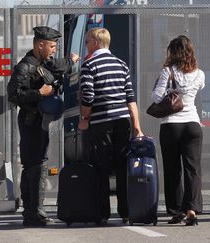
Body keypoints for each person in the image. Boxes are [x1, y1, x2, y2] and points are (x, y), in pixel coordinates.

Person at [7, 26, 79, 227]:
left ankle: (32, 212)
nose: (55, 49)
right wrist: (39, 93)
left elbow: (60, 66)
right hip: (31, 120)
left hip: (41, 120)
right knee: (35, 165)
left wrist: (72, 61)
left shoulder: (45, 62)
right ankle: (33, 212)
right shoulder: (24, 67)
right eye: (52, 46)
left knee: (37, 164)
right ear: (40, 45)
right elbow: (13, 95)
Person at [78, 28, 144, 224]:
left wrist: (84, 117)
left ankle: (102, 213)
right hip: (123, 121)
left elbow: (88, 97)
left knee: (101, 167)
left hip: (100, 122)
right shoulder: (122, 65)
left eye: (87, 41)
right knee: (123, 166)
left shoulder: (89, 65)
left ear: (96, 43)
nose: (86, 45)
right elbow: (130, 99)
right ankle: (126, 212)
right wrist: (137, 127)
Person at [152, 35, 205, 226]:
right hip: (193, 124)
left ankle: (176, 211)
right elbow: (198, 89)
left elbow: (157, 97)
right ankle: (192, 209)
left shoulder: (168, 72)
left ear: (172, 52)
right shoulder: (200, 73)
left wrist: (168, 91)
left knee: (173, 169)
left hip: (171, 124)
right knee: (193, 169)